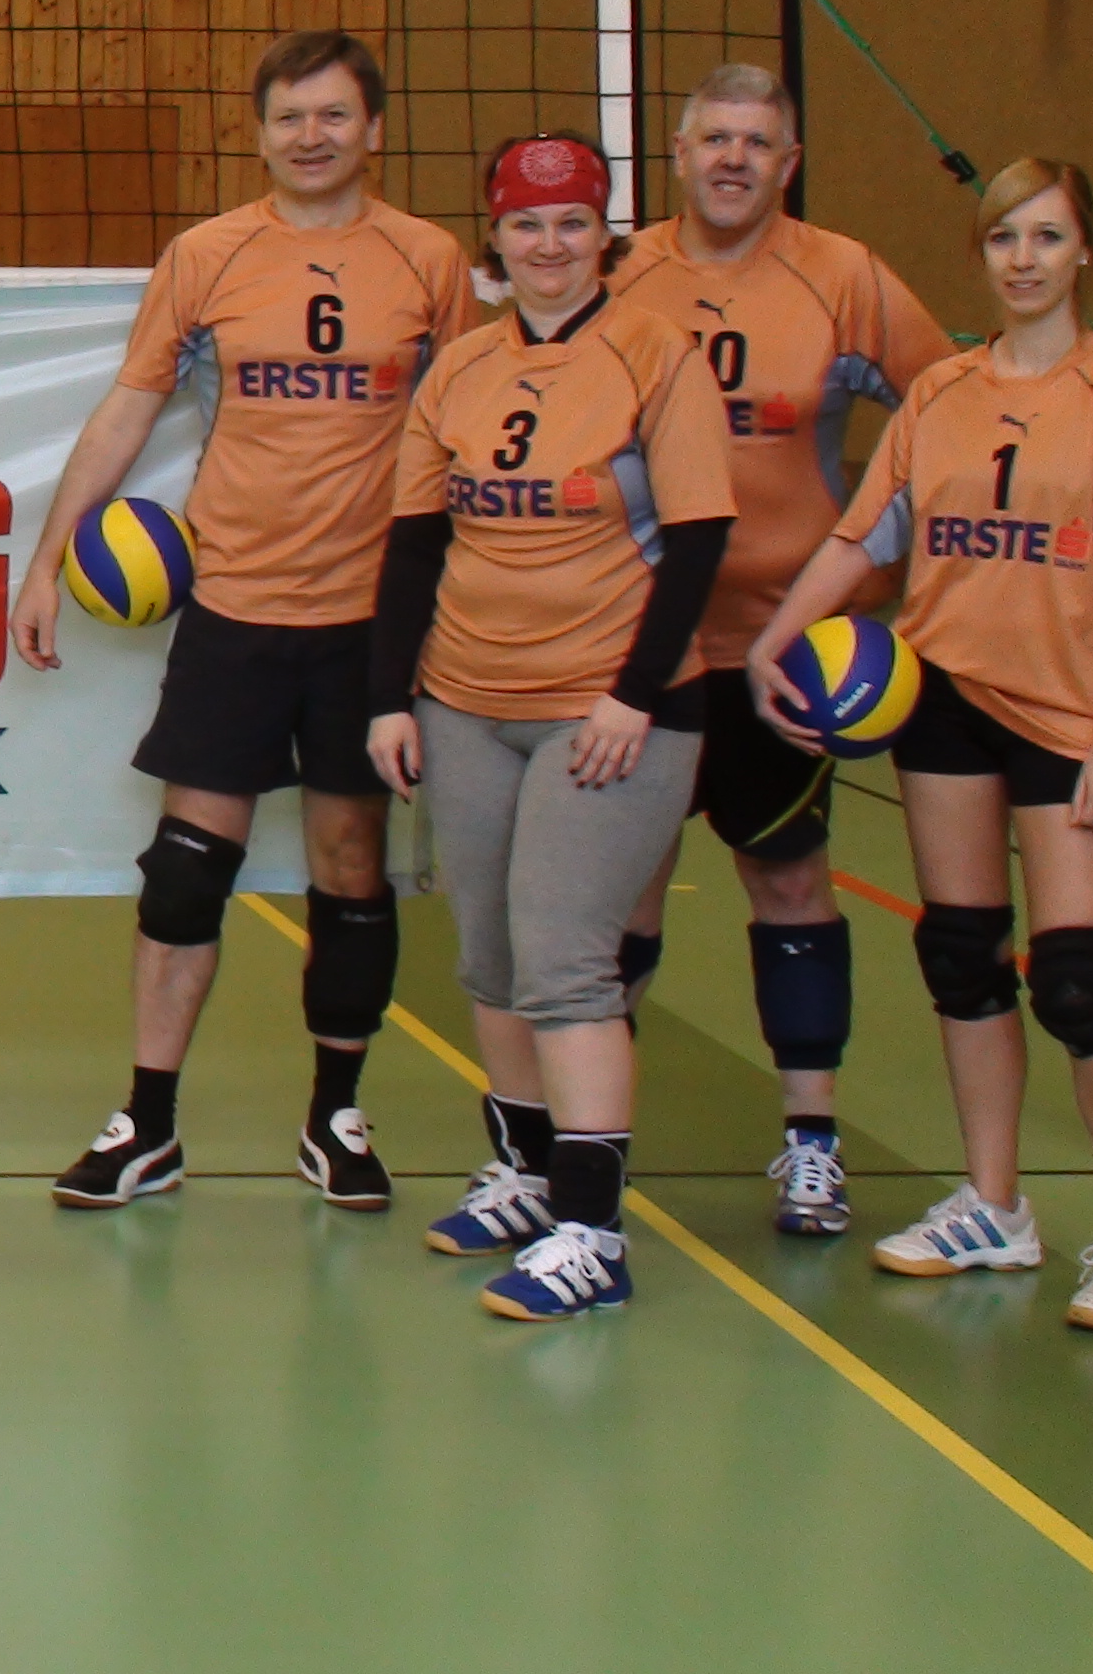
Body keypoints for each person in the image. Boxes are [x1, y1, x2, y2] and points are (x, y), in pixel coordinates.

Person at [13, 30, 477, 1210]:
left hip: (368, 618)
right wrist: (48, 557)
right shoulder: (209, 255)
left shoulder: (428, 260)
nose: (311, 137)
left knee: (352, 868)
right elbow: (130, 407)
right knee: (183, 874)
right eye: (289, 117)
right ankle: (148, 1125)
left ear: (373, 129)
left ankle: (337, 1116)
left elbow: (469, 430)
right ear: (259, 133)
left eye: (333, 115)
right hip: (234, 604)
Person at [747, 159, 1093, 1333]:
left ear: (1085, 251)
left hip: (1066, 715)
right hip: (943, 699)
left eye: (1046, 236)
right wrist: (776, 641)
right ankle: (995, 1206)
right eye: (1003, 238)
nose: (1023, 259)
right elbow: (861, 539)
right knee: (960, 954)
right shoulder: (940, 391)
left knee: (1077, 981)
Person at [371, 133, 736, 1319]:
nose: (549, 244)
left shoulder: (654, 353)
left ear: (605, 234)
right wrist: (389, 696)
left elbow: (699, 540)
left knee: (568, 962)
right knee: (488, 958)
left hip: (608, 711)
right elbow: (415, 544)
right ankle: (527, 1176)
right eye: (527, 224)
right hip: (465, 701)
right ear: (495, 239)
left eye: (572, 221)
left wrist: (635, 693)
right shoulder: (462, 369)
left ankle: (593, 1234)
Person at [608, 65, 952, 1236]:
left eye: (757, 143)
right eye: (715, 139)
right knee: (622, 891)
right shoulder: (621, 274)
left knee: (791, 879)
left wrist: (881, 564)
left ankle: (812, 1144)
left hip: (784, 648)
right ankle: (584, 1141)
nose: (733, 160)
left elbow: (948, 408)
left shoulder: (844, 277)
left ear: (788, 163)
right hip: (644, 646)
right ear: (677, 151)